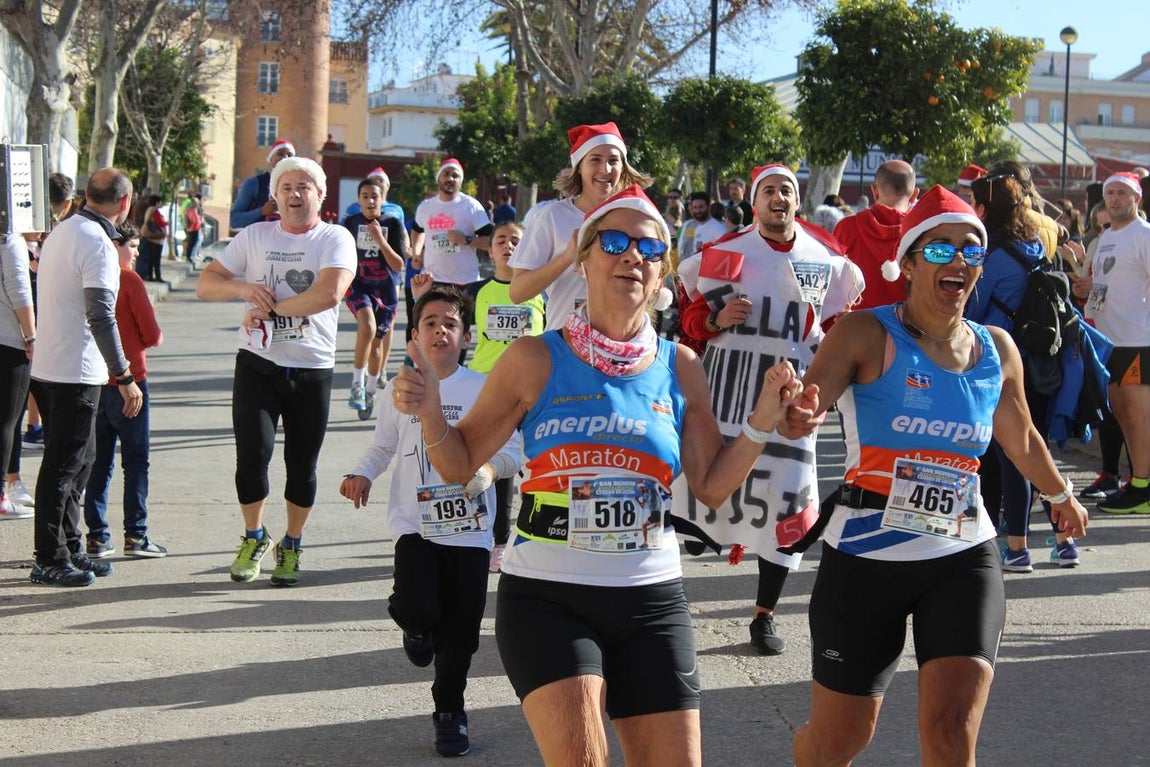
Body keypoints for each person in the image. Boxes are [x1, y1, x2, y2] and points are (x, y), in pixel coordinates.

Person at [389, 185, 803, 766]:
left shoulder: (681, 366)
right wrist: (431, 408)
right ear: (583, 260)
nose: (632, 255)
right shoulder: (533, 358)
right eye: (614, 242)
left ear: (660, 277)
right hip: (549, 597)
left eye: (649, 248)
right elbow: (458, 465)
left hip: (651, 597)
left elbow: (711, 487)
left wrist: (762, 422)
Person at [781, 185, 1089, 767]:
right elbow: (809, 405)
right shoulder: (864, 332)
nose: (959, 261)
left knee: (952, 735)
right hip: (866, 557)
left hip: (962, 555)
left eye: (971, 250)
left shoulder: (996, 348)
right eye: (941, 249)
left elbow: (1021, 435)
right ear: (910, 263)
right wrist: (797, 412)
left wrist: (1060, 494)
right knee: (839, 740)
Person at [677, 164, 864, 656]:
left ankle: (764, 615)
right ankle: (668, 606)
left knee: (785, 501)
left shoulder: (826, 258)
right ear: (754, 202)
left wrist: (824, 388)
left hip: (789, 402)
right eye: (769, 191)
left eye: (787, 190)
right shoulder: (726, 251)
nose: (778, 198)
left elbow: (839, 330)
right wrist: (716, 317)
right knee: (696, 495)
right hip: (725, 396)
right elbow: (691, 319)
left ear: (797, 201)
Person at [341, 287, 522, 758]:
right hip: (414, 524)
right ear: (415, 337)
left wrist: (488, 470)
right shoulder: (399, 389)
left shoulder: (484, 388)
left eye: (451, 324)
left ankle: (449, 711)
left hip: (470, 530)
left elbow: (513, 451)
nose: (440, 330)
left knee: (462, 633)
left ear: (466, 337)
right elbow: (383, 445)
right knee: (417, 606)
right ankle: (416, 627)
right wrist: (362, 473)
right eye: (430, 323)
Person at [196, 156, 356, 585]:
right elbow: (206, 284)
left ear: (320, 195)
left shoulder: (335, 238)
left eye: (304, 187)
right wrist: (243, 288)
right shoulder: (255, 236)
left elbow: (329, 293)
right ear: (275, 197)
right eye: (286, 188)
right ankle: (254, 536)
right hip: (258, 364)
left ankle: (293, 544)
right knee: (252, 458)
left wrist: (269, 311)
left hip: (311, 368)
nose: (294, 194)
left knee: (302, 466)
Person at [30, 167, 143, 587]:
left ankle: (70, 546)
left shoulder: (63, 230)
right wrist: (124, 374)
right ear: (125, 202)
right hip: (73, 371)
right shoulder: (96, 242)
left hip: (53, 366)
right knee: (64, 467)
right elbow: (100, 314)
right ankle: (49, 557)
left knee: (80, 463)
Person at [965, 172, 1082, 569]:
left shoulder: (992, 256)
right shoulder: (1035, 244)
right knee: (1037, 449)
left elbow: (972, 311)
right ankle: (1064, 540)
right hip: (1041, 359)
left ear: (983, 209)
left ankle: (1017, 547)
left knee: (1013, 454)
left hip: (1003, 362)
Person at [414, 221, 544, 571]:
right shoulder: (476, 290)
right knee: (496, 464)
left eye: (516, 240)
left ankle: (536, 532)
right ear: (490, 249)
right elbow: (441, 322)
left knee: (534, 464)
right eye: (501, 240)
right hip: (489, 390)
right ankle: (499, 540)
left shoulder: (540, 292)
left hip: (532, 390)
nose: (508, 246)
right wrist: (420, 295)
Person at [509, 122, 652, 331]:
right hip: (564, 342)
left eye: (613, 160)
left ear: (623, 167)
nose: (605, 169)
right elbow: (517, 293)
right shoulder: (552, 216)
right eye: (595, 159)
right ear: (579, 167)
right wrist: (567, 257)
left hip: (621, 343)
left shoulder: (636, 216)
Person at [83, 221, 167, 559]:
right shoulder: (129, 280)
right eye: (131, 246)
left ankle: (96, 536)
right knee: (135, 462)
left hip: (94, 380)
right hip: (130, 382)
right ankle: (136, 535)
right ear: (115, 245)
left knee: (97, 463)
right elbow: (152, 334)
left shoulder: (87, 278)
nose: (136, 253)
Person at [1078, 172, 1150, 514]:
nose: (1115, 199)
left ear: (1136, 198)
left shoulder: (1143, 234)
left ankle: (1142, 488)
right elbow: (1105, 286)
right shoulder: (1107, 236)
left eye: (1123, 193)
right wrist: (1086, 289)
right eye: (1110, 193)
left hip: (1137, 340)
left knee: (1137, 416)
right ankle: (1136, 483)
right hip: (1109, 340)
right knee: (1121, 414)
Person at [343, 176, 406, 417]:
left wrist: (380, 239)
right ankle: (357, 385)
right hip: (359, 285)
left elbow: (399, 264)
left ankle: (370, 391)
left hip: (385, 290)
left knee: (377, 343)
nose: (370, 201)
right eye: (365, 196)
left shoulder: (393, 223)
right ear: (359, 200)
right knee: (367, 327)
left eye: (374, 197)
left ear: (382, 199)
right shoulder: (350, 223)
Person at [832, 159, 917, 310]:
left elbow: (832, 284)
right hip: (909, 323)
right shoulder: (923, 233)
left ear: (875, 190)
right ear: (914, 194)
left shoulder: (846, 229)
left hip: (857, 322)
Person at [409, 159, 492, 292]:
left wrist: (466, 240)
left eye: (455, 175)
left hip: (465, 281)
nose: (450, 178)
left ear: (461, 181)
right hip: (432, 280)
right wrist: (417, 252)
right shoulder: (426, 207)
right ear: (438, 179)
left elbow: (490, 241)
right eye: (446, 174)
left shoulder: (471, 206)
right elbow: (417, 230)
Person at [0, 232, 37, 520]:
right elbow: (20, 292)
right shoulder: (9, 241)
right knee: (7, 420)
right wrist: (31, 336)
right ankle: (2, 497)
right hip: (9, 342)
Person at [230, 138, 295, 231]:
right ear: (270, 158)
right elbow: (234, 220)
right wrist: (261, 211)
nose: (285, 158)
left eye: (289, 155)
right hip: (258, 239)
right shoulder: (254, 184)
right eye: (280, 153)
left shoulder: (297, 188)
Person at [678, 191, 726, 260]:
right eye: (695, 207)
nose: (698, 211)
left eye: (701, 207)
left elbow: (724, 252)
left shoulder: (717, 228)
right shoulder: (690, 225)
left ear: (708, 207)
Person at [136, 194, 167, 283]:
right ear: (157, 202)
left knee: (150, 258)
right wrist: (166, 223)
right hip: (155, 239)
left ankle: (149, 276)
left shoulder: (148, 209)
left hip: (150, 237)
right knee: (156, 259)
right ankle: (158, 276)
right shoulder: (154, 210)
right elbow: (160, 222)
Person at [182, 194, 204, 264]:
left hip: (189, 228)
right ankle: (190, 256)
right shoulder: (194, 210)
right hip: (194, 228)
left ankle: (188, 256)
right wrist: (201, 221)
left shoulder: (188, 210)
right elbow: (196, 221)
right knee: (193, 242)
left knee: (190, 243)